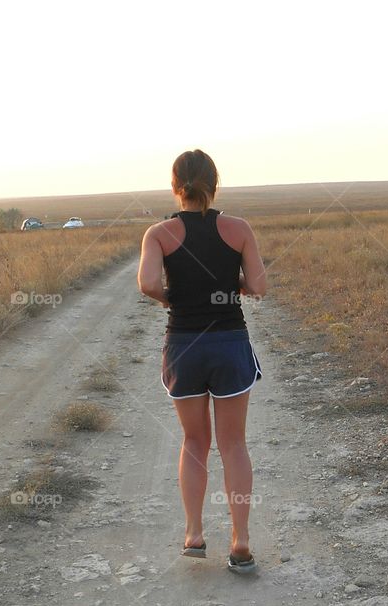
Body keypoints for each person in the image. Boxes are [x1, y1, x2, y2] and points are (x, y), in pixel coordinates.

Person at [137, 149, 267, 574]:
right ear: (215, 183)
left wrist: (173, 297)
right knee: (234, 445)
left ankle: (194, 534)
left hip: (184, 344)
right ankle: (241, 541)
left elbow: (148, 283)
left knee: (195, 442)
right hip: (230, 342)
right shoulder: (238, 228)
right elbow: (260, 286)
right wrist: (234, 286)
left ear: (175, 186)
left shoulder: (158, 234)